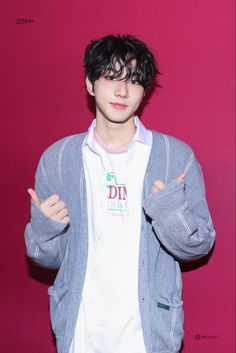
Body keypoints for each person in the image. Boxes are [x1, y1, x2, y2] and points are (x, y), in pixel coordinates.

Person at [25, 34, 215, 353]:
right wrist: (43, 231)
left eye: (134, 80)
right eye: (111, 77)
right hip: (81, 329)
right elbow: (46, 259)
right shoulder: (58, 159)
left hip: (148, 333)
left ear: (144, 91)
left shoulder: (175, 157)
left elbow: (200, 246)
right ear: (90, 84)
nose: (122, 90)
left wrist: (170, 213)